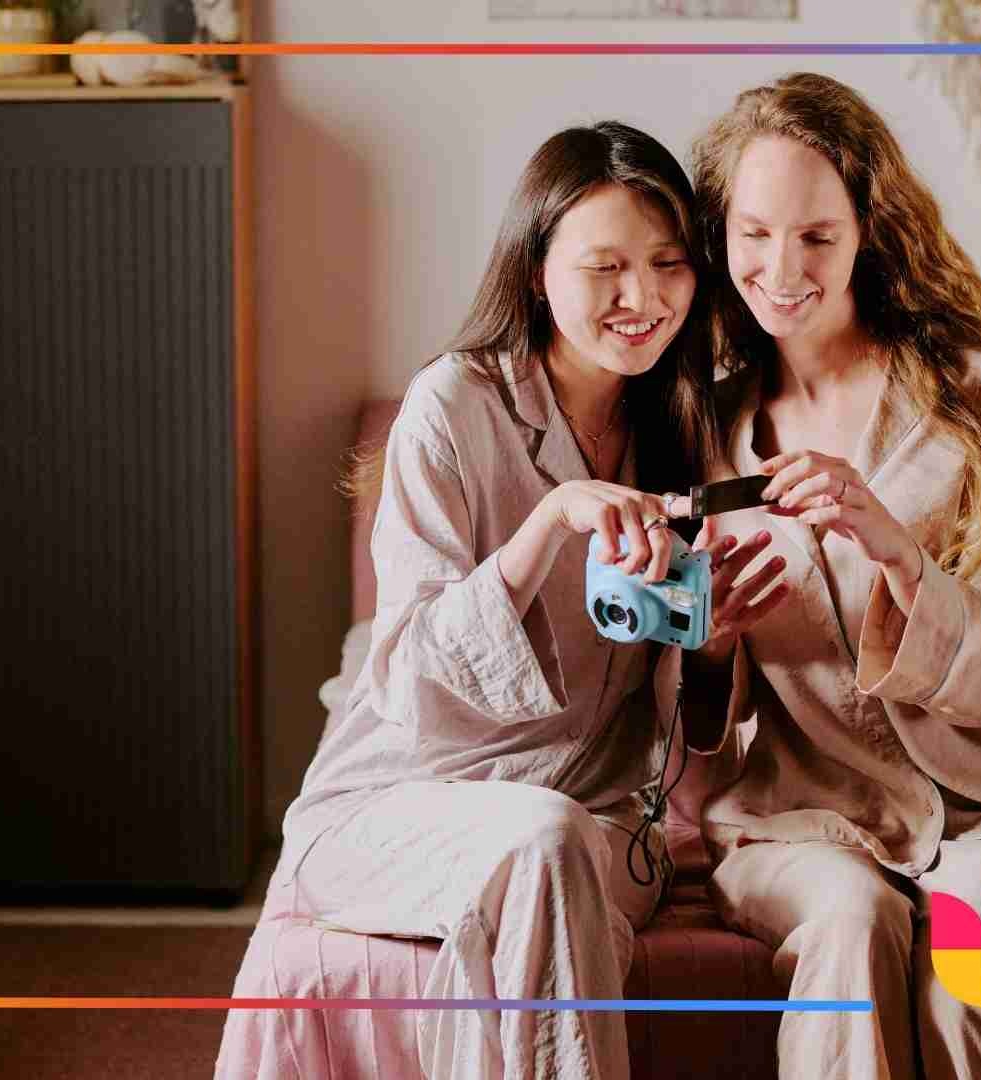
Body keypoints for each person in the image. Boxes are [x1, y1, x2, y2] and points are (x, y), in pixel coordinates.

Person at [217, 120, 780, 1080]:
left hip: (595, 822)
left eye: (668, 264)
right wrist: (547, 523)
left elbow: (687, 735)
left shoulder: (687, 430)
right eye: (605, 266)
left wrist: (715, 647)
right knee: (541, 843)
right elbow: (410, 680)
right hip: (397, 807)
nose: (642, 298)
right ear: (534, 271)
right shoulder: (451, 406)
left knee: (553, 850)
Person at [664, 73, 981, 1080]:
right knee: (852, 931)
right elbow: (695, 716)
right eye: (755, 233)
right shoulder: (703, 424)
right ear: (720, 237)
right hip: (794, 820)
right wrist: (712, 642)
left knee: (973, 993)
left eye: (817, 236)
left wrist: (900, 554)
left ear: (869, 229)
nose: (782, 268)